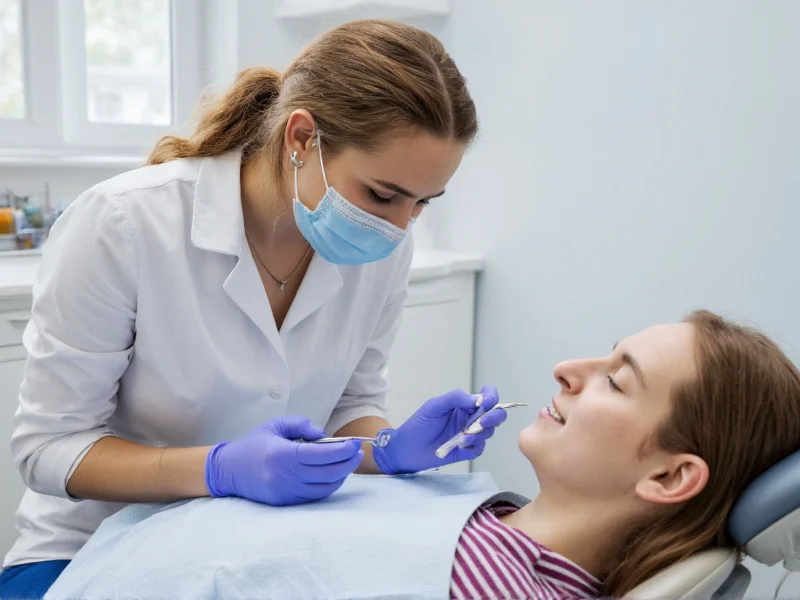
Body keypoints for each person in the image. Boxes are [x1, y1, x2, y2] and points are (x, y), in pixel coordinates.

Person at [0, 19, 511, 599]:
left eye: (423, 203)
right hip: (89, 550)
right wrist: (218, 468)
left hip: (256, 544)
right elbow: (48, 449)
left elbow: (350, 407)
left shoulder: (380, 247)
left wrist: (389, 450)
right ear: (302, 138)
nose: (398, 226)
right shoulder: (125, 224)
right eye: (382, 194)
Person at [37, 310, 800, 600]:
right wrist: (381, 453)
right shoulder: (490, 519)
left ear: (670, 476)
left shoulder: (488, 585)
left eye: (616, 380)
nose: (569, 369)